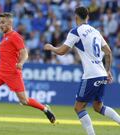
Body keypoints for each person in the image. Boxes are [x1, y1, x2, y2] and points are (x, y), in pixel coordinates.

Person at [44, 6, 120, 135]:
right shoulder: (96, 31)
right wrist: (107, 71)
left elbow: (62, 51)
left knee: (78, 107)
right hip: (101, 73)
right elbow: (108, 52)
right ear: (88, 17)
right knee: (98, 107)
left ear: (76, 17)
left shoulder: (76, 31)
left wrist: (51, 47)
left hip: (91, 75)